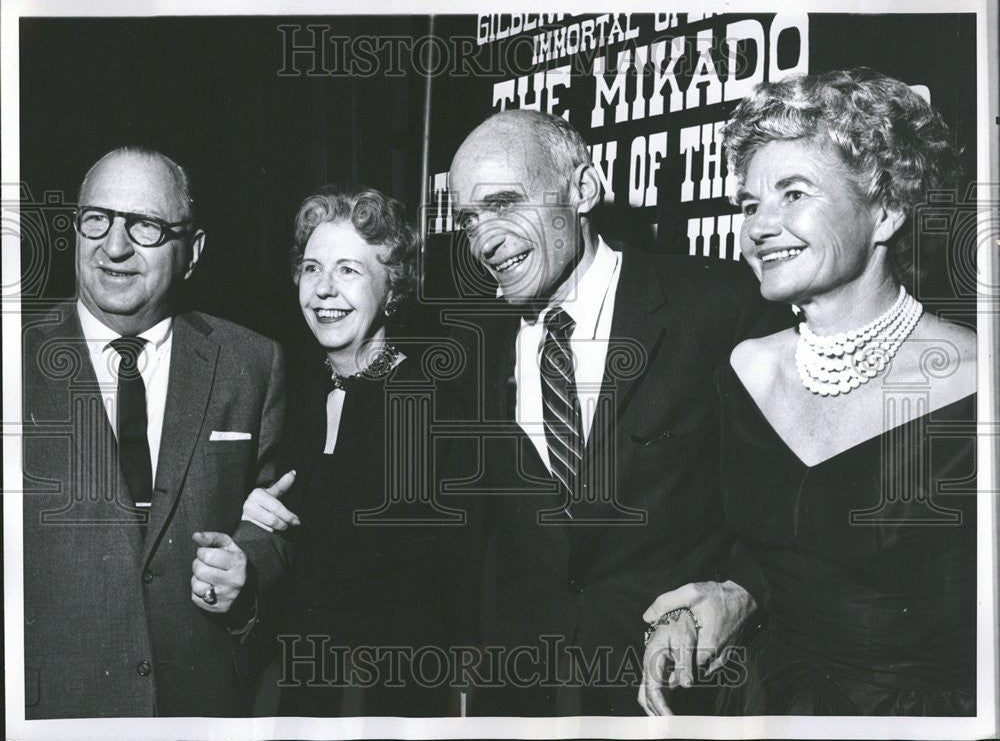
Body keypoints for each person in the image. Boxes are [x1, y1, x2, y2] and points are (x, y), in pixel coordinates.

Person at [640, 68, 977, 716]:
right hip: (763, 701)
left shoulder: (975, 383)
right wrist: (728, 593)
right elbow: (785, 546)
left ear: (886, 209)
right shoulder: (746, 370)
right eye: (748, 203)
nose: (760, 226)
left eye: (793, 193)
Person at [441, 109, 791, 715]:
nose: (484, 241)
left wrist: (738, 594)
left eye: (504, 204)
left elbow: (790, 506)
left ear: (583, 189)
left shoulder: (720, 309)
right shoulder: (471, 346)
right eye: (470, 219)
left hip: (678, 690)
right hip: (523, 693)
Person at [21, 147, 287, 718]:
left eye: (145, 226)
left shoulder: (250, 362)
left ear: (192, 252)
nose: (114, 247)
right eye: (98, 218)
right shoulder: (12, 362)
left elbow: (273, 521)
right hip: (53, 710)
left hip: (205, 707)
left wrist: (251, 571)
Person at [240, 185, 467, 716]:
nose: (323, 290)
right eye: (312, 269)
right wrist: (248, 513)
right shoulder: (288, 394)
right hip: (301, 684)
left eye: (348, 270)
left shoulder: (434, 404)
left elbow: (459, 584)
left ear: (392, 288)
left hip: (394, 694)